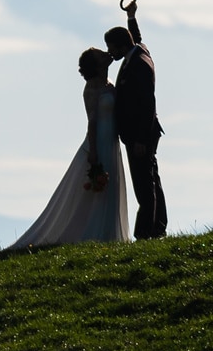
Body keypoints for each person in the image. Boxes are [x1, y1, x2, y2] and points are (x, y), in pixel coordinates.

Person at [10, 47, 130, 248]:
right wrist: (93, 150)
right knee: (94, 189)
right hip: (99, 141)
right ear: (97, 64)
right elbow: (92, 121)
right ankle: (92, 233)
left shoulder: (109, 84)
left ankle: (109, 234)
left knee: (111, 186)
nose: (106, 53)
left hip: (112, 142)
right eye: (100, 54)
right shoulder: (92, 88)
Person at [106, 0, 167, 239]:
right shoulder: (139, 50)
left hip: (141, 134)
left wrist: (140, 139)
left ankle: (145, 234)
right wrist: (131, 16)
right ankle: (158, 226)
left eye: (112, 48)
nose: (111, 53)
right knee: (152, 179)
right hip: (143, 133)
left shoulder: (139, 64)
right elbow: (137, 38)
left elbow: (146, 104)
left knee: (144, 185)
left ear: (122, 46)